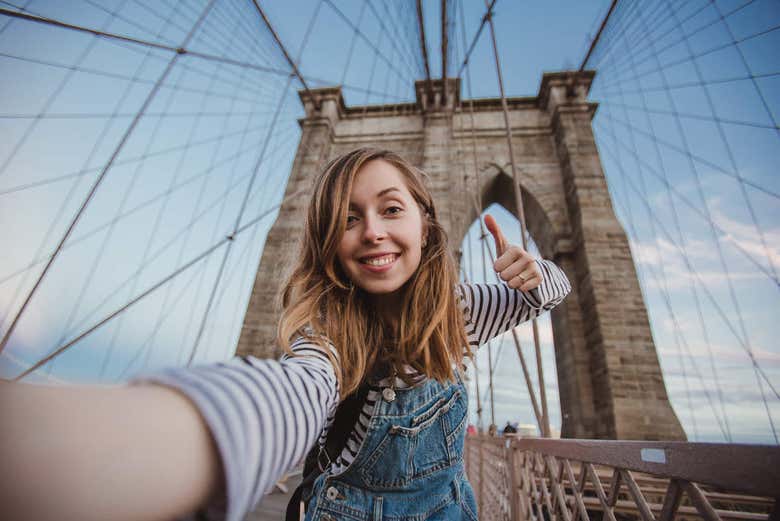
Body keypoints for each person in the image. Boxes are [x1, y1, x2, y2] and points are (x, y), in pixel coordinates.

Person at [0, 147, 571, 521]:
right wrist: (180, 440)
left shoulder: (459, 311)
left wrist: (535, 272)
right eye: (348, 219)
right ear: (329, 243)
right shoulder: (325, 335)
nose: (372, 231)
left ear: (425, 222)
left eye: (391, 209)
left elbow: (554, 291)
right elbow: (295, 391)